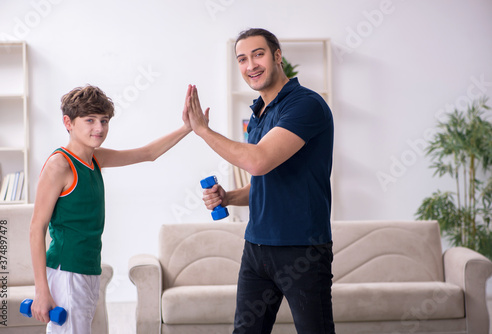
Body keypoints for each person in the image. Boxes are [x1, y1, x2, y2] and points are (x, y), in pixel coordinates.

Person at [184, 28, 335, 333]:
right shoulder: (259, 113)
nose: (250, 65)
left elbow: (258, 161)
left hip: (301, 248)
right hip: (257, 247)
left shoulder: (305, 105)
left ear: (277, 56)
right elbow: (264, 183)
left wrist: (202, 130)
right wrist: (229, 197)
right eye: (242, 59)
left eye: (258, 54)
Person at [30, 85, 191, 333]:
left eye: (104, 121)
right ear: (68, 122)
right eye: (90, 120)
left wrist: (186, 128)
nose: (99, 128)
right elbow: (36, 228)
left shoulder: (96, 158)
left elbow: (148, 153)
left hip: (88, 268)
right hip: (67, 272)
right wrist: (42, 291)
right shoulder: (60, 164)